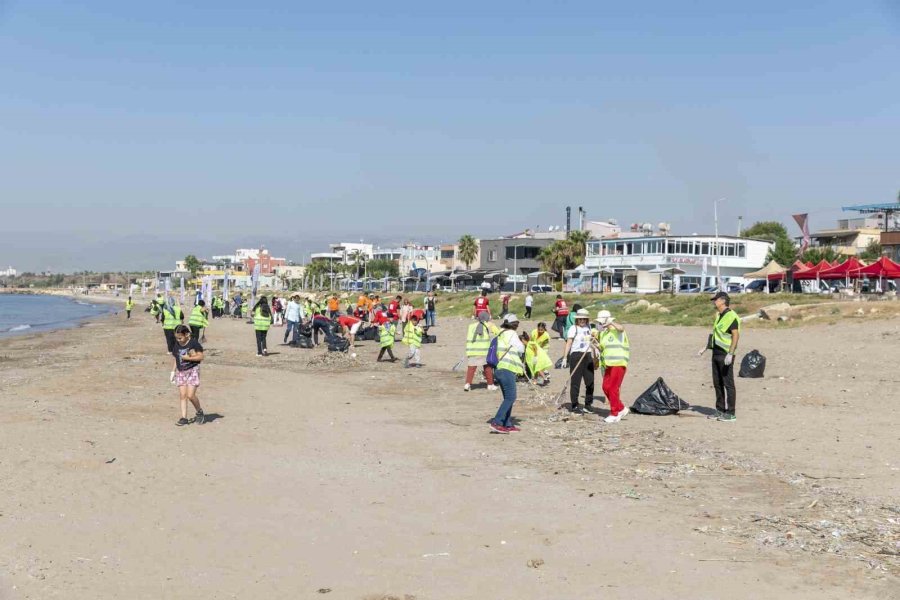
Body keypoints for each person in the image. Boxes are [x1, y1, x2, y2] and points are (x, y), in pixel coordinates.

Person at [699, 291, 741, 422]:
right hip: (715, 353)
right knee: (717, 383)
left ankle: (731, 413)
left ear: (723, 301)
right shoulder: (719, 315)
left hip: (725, 354)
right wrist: (706, 347)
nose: (714, 302)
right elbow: (716, 334)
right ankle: (720, 410)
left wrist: (730, 353)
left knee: (728, 384)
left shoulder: (731, 316)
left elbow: (735, 335)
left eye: (716, 300)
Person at [489, 314, 526, 434]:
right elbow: (521, 349)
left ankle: (507, 423)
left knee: (508, 398)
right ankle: (497, 422)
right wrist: (523, 342)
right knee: (511, 397)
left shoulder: (500, 334)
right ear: (514, 324)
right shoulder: (511, 333)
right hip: (507, 369)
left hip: (499, 369)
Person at [595, 310, 630, 423]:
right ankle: (621, 408)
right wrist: (594, 344)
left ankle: (614, 413)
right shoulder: (604, 333)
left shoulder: (617, 330)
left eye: (601, 322)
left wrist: (611, 323)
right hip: (608, 364)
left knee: (613, 388)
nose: (600, 325)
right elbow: (602, 348)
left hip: (619, 363)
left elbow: (622, 328)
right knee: (605, 387)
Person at [560, 308, 596, 413]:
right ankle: (574, 404)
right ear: (577, 319)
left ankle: (588, 405)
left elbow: (593, 340)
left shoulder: (590, 328)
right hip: (576, 356)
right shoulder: (573, 328)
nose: (582, 321)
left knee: (590, 382)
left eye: (584, 319)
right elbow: (569, 343)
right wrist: (565, 357)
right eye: (580, 319)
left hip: (588, 355)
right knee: (575, 382)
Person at [170, 324, 206, 426]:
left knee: (190, 395)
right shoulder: (177, 345)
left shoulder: (193, 343)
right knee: (182, 395)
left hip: (193, 370)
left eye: (180, 338)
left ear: (186, 334)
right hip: (181, 372)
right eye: (176, 338)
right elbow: (176, 359)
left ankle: (199, 411)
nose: (178, 340)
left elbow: (201, 357)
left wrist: (188, 358)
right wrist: (173, 372)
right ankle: (184, 418)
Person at [464, 311, 498, 392]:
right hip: (484, 350)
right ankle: (490, 384)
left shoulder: (471, 326)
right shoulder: (489, 325)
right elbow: (498, 333)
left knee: (471, 368)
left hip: (472, 350)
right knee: (487, 367)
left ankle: (467, 384)